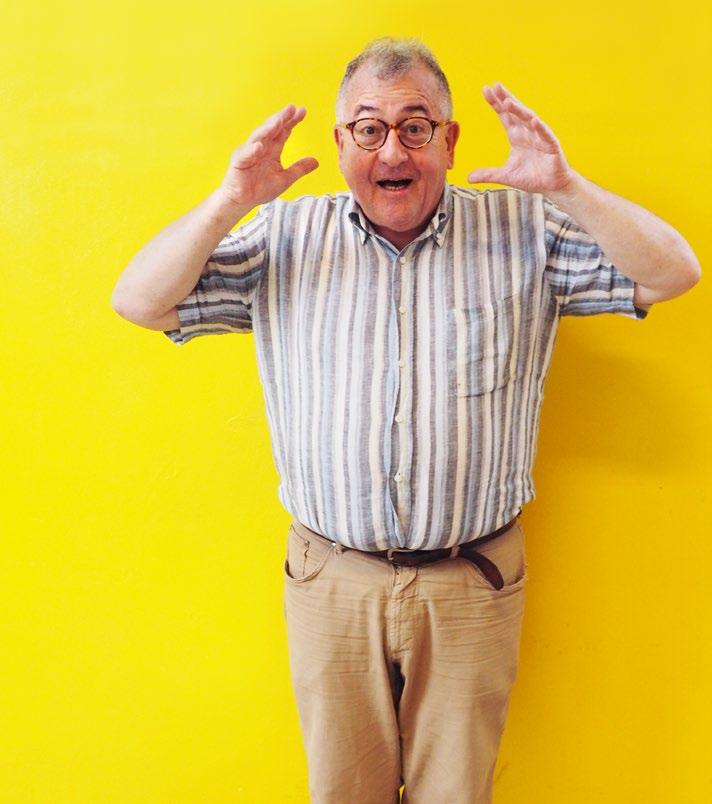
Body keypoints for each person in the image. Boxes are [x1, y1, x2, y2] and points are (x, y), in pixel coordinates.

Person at [111, 38, 700, 804]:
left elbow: (673, 271)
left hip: (471, 581)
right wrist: (230, 201)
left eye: (415, 127)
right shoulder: (284, 236)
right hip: (332, 581)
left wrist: (566, 186)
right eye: (369, 129)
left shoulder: (526, 230)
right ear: (341, 144)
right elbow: (139, 300)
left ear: (449, 141)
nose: (392, 150)